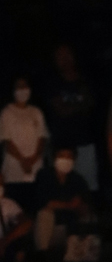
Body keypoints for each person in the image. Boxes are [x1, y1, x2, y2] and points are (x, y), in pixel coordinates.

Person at [45, 44, 98, 191]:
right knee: (61, 187)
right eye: (60, 57)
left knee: (88, 185)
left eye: (67, 55)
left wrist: (74, 107)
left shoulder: (85, 80)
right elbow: (61, 110)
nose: (65, 60)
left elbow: (92, 103)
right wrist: (81, 105)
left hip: (84, 142)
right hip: (61, 145)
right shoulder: (53, 83)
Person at [34, 147, 99, 262]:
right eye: (62, 156)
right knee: (45, 213)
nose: (65, 159)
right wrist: (68, 205)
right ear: (54, 158)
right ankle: (42, 257)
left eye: (69, 156)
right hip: (49, 230)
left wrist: (80, 206)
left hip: (70, 230)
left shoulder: (78, 179)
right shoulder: (44, 175)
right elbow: (44, 202)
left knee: (90, 217)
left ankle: (87, 261)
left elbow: (87, 203)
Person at [0, 77, 49, 213]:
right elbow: (6, 141)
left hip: (35, 169)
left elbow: (42, 137)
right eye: (18, 87)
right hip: (13, 170)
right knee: (15, 209)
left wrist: (34, 158)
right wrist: (23, 161)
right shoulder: (6, 112)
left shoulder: (36, 112)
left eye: (24, 86)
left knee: (35, 208)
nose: (22, 90)